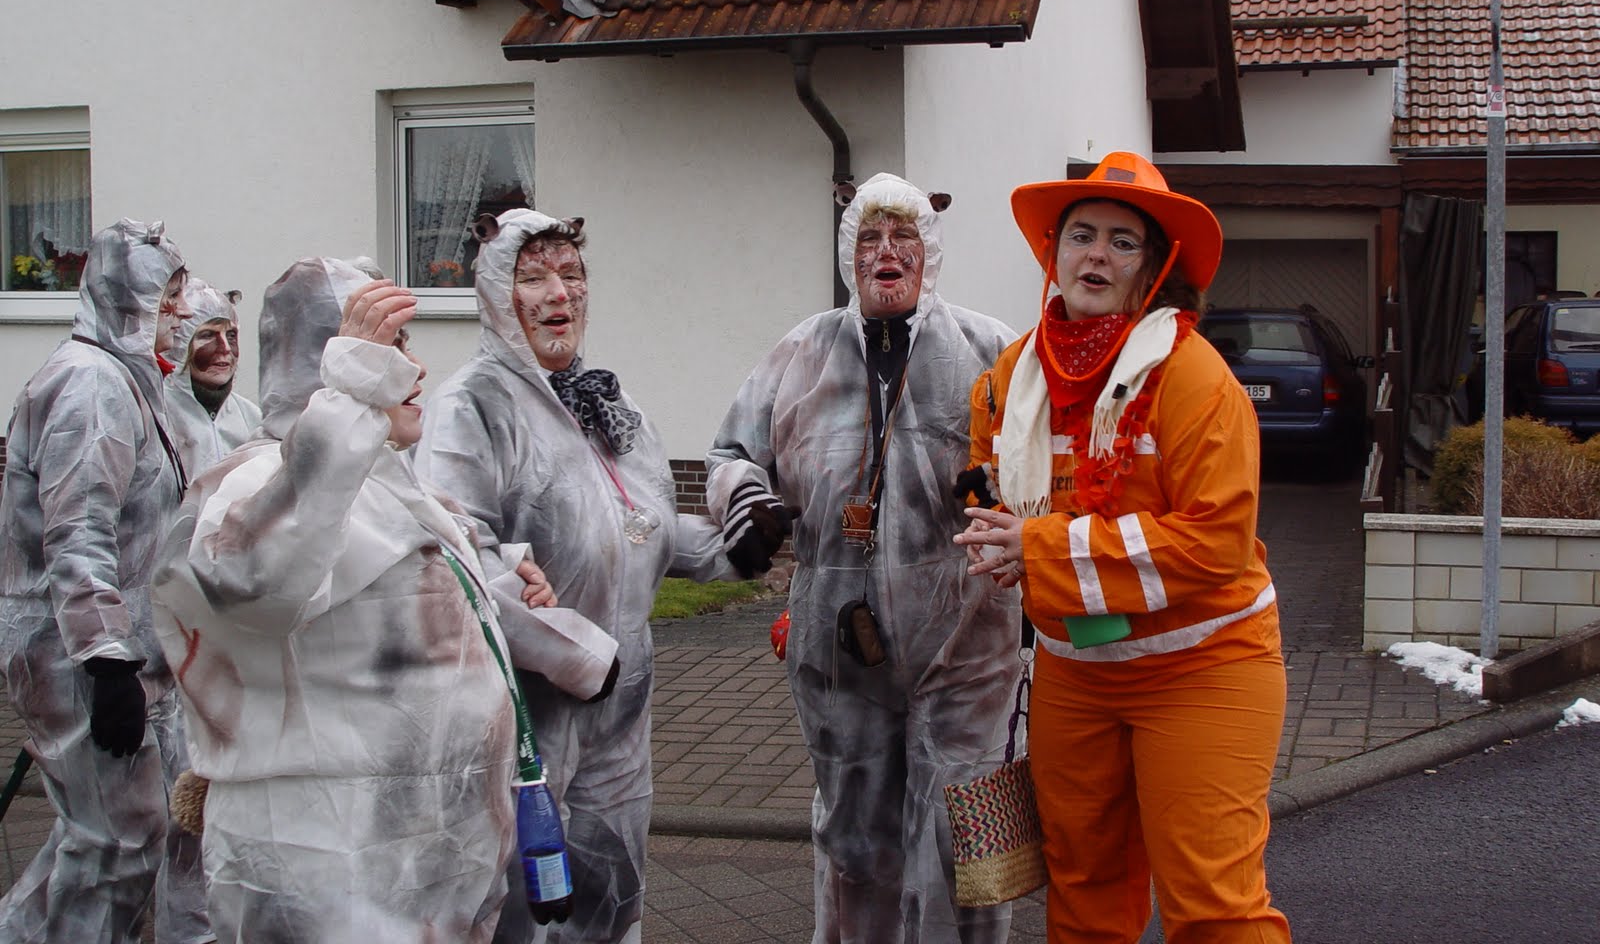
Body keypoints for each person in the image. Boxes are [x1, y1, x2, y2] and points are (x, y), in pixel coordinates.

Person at [151, 259, 594, 942]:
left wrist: (499, 578)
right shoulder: (257, 480)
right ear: (330, 365)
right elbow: (255, 585)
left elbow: (388, 586)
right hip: (329, 878)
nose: (415, 370)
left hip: (423, 871)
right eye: (389, 347)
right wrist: (351, 398)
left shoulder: (380, 478)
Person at [954, 151, 1292, 943]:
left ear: (1155, 267)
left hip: (1203, 667)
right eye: (1081, 235)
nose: (1096, 255)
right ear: (1054, 253)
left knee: (1213, 906)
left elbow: (1215, 541)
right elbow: (984, 483)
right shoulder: (1010, 376)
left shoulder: (1195, 378)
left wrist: (1037, 550)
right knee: (1083, 892)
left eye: (1122, 241)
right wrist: (990, 533)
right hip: (1077, 673)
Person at [705, 173, 1020, 943]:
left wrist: (1011, 494)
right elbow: (731, 453)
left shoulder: (992, 348)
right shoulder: (803, 352)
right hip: (840, 649)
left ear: (929, 250)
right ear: (850, 252)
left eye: (904, 235)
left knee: (975, 843)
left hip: (973, 644)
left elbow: (1043, 462)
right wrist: (745, 501)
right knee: (855, 842)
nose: (887, 252)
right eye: (870, 237)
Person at [415, 209, 741, 944]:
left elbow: (639, 528)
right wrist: (578, 655)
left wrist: (733, 551)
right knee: (521, 900)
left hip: (622, 711)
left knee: (612, 896)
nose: (559, 293)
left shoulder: (605, 403)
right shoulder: (472, 407)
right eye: (534, 277)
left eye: (572, 274)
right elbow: (456, 561)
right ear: (497, 295)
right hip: (526, 719)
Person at [0, 217, 211, 943]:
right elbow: (79, 530)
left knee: (108, 840)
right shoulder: (91, 385)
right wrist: (106, 660)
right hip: (75, 658)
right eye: (168, 295)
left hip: (113, 654)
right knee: (116, 846)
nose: (182, 310)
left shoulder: (127, 381)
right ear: (129, 299)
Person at [163, 279, 262, 476]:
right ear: (180, 344)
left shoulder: (252, 418)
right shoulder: (159, 413)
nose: (225, 348)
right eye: (207, 335)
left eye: (231, 335)